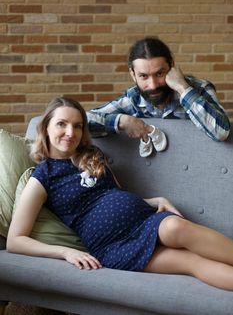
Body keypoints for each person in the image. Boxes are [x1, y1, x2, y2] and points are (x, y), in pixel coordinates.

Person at [7, 96, 233, 291]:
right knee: (191, 262)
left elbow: (115, 195)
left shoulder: (92, 154)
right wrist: (66, 252)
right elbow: (15, 241)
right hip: (113, 245)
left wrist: (156, 200)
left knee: (176, 226)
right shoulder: (43, 175)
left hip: (143, 220)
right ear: (45, 128)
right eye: (61, 124)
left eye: (77, 126)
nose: (70, 132)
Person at [87, 37, 230, 142]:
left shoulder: (200, 89)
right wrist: (121, 121)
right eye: (143, 76)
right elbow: (81, 122)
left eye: (159, 74)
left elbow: (221, 132)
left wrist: (183, 88)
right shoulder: (133, 99)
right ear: (133, 74)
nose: (153, 85)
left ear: (172, 66)